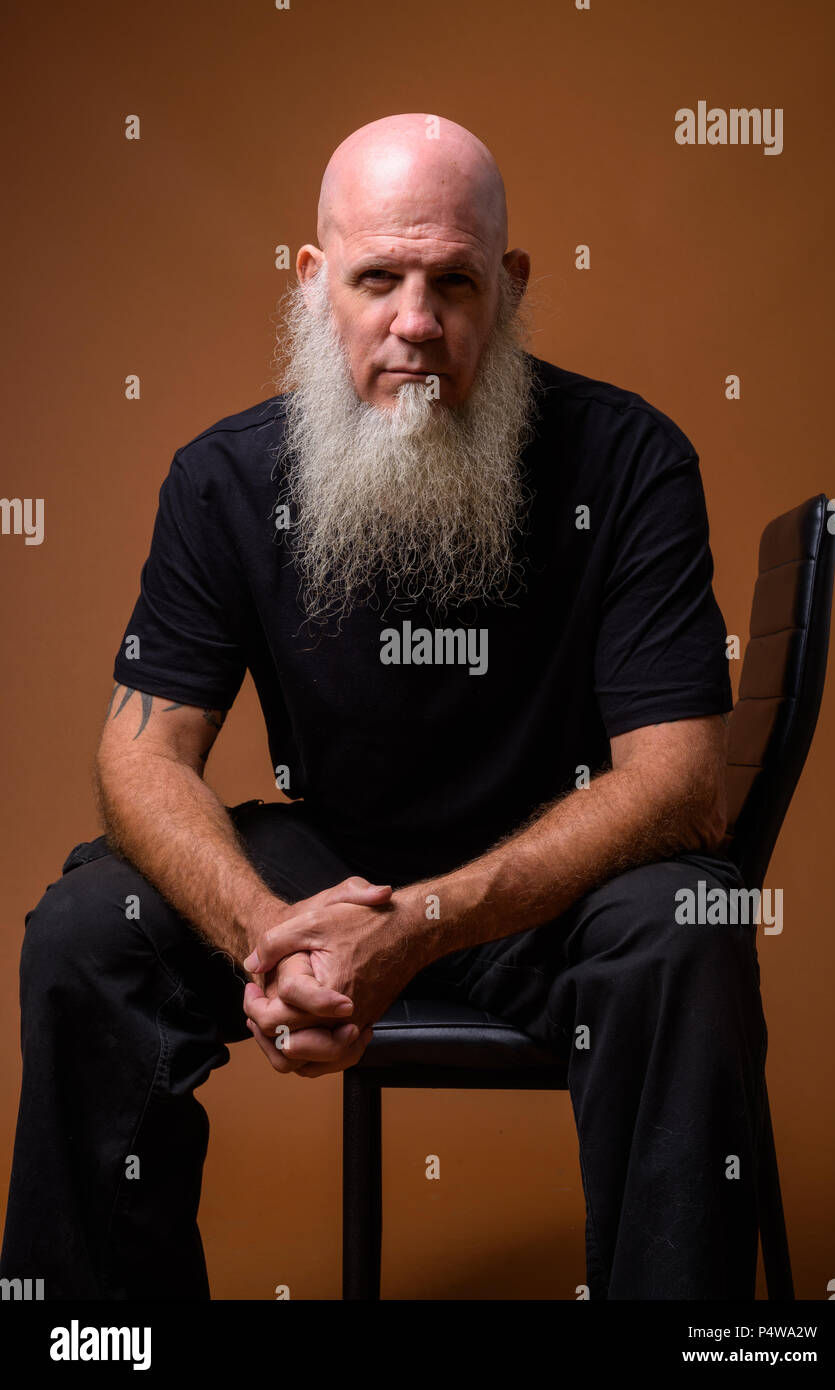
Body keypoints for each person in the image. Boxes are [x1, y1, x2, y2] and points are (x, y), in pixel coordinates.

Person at [0, 113, 767, 1300]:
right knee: (85, 931)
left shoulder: (630, 461)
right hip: (326, 867)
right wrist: (269, 927)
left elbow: (675, 780)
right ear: (315, 286)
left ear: (506, 289)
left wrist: (419, 922)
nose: (417, 322)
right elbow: (142, 757)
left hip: (554, 886)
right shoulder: (224, 477)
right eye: (378, 278)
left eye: (453, 280)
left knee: (691, 922)